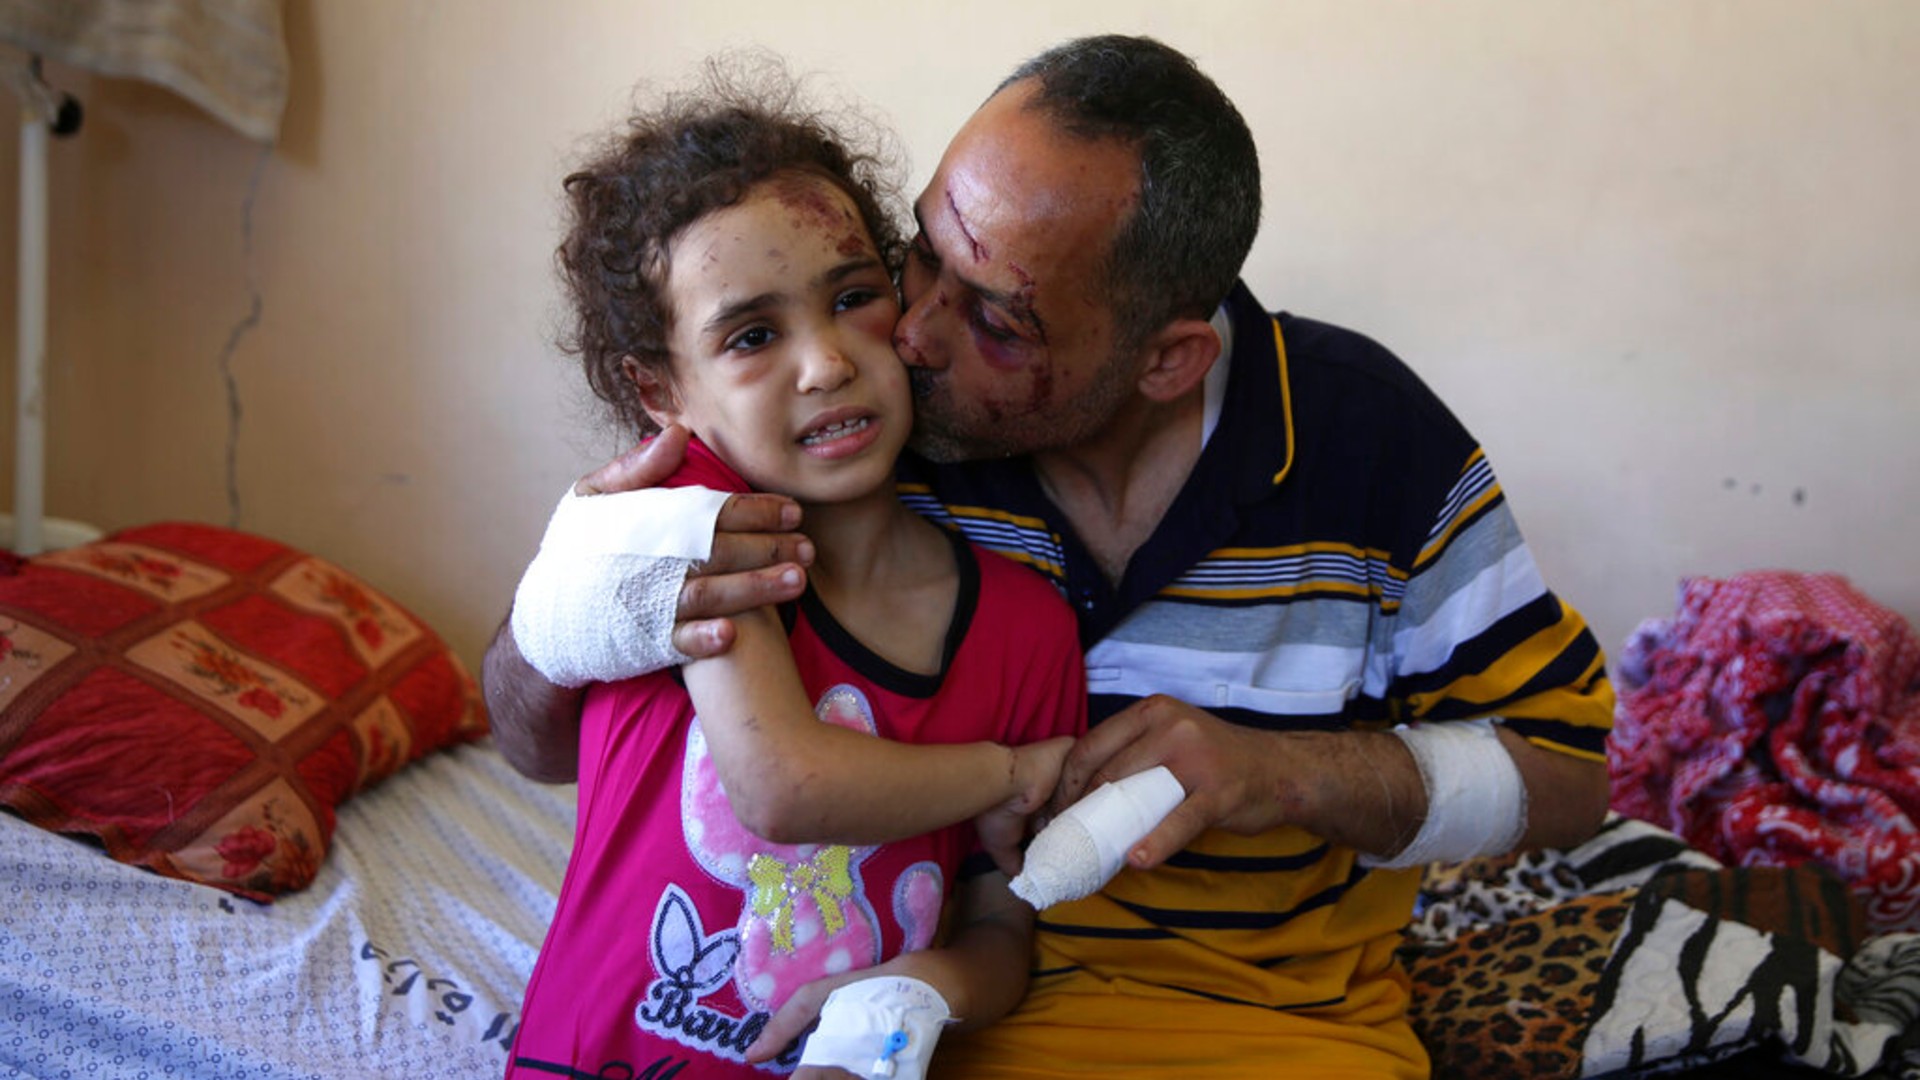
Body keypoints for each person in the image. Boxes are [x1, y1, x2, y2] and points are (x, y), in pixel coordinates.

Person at [485, 35, 1616, 1079]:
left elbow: (1576, 779)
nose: (906, 337)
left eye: (996, 318)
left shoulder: (1370, 443)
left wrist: (1286, 774)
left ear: (1168, 359)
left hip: (1271, 1027)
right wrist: (569, 612)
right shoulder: (859, 441)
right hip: (973, 1023)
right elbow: (549, 736)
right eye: (918, 254)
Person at [502, 62, 1088, 1080]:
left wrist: (924, 990)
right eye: (752, 335)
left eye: (854, 297)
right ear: (659, 389)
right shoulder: (676, 540)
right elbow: (781, 785)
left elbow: (1004, 924)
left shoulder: (1027, 630)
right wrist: (1012, 771)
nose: (824, 363)